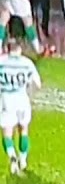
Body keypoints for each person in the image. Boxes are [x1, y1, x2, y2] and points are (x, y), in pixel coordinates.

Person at [0, 40, 41, 175]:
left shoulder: (1, 62)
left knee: (7, 132)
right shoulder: (27, 63)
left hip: (6, 100)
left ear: (7, 49)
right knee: (23, 129)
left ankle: (12, 157)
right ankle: (23, 160)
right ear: (20, 49)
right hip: (22, 99)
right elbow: (37, 84)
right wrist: (30, 93)